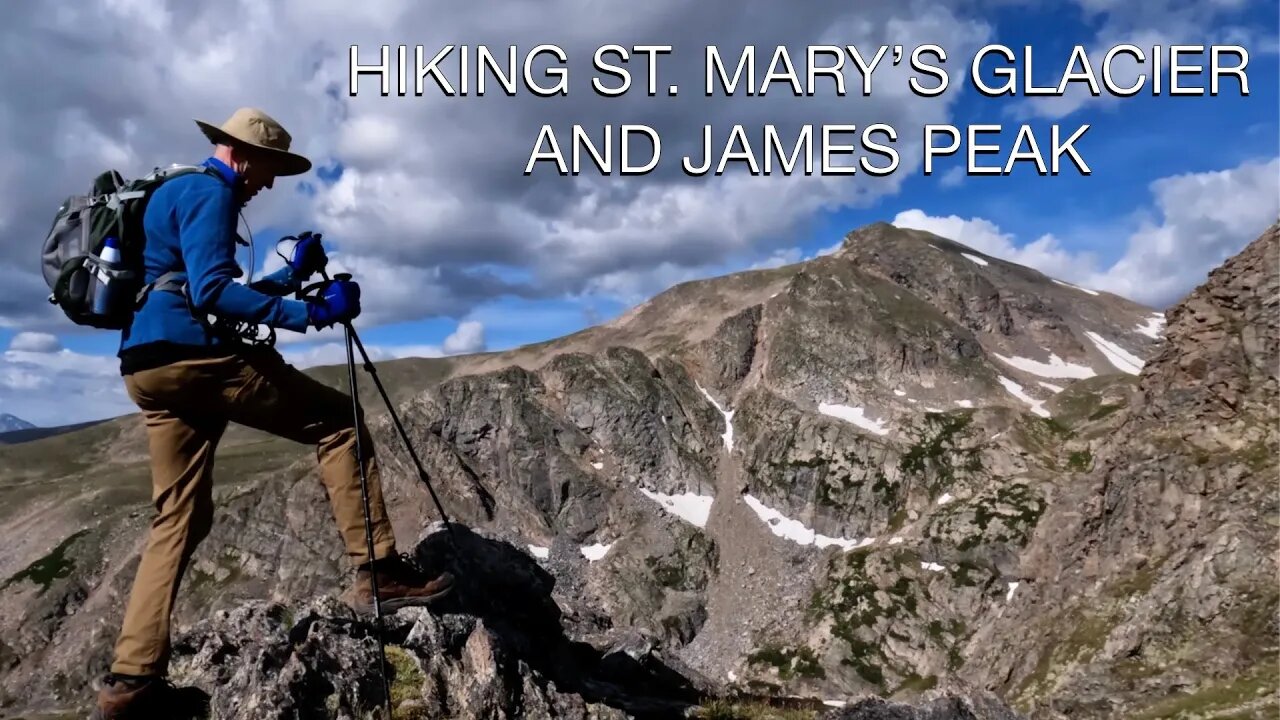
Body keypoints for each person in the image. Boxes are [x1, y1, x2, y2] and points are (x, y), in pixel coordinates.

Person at [91, 108, 455, 719]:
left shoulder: (171, 192)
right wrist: (313, 313)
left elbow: (195, 283)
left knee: (176, 516)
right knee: (339, 422)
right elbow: (211, 294)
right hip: (197, 358)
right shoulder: (212, 192)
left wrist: (288, 278)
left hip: (147, 367)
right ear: (240, 153)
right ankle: (378, 572)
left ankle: (130, 685)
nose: (270, 182)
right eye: (270, 168)